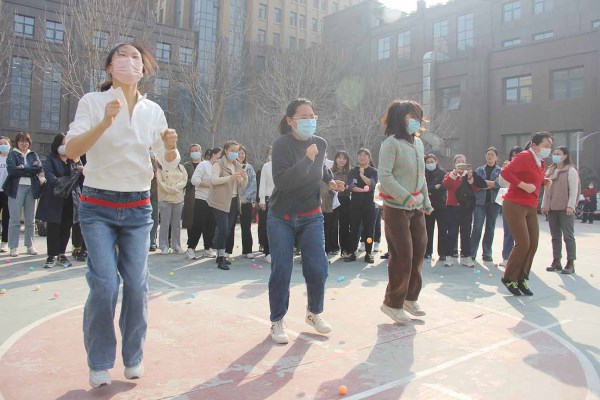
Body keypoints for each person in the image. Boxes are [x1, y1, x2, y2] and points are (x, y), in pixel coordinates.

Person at [65, 43, 181, 387]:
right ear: (109, 67)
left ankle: (133, 356)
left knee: (136, 284)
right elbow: (72, 150)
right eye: (122, 56)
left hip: (137, 207)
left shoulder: (152, 110)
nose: (129, 62)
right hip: (97, 205)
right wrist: (105, 122)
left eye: (136, 58)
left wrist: (171, 147)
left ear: (143, 68)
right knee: (104, 284)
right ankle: (100, 362)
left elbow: (167, 160)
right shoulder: (93, 101)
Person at [268, 98, 339, 344]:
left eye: (313, 117)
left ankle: (314, 312)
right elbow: (283, 182)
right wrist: (307, 159)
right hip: (281, 216)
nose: (310, 121)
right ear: (290, 121)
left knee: (318, 266)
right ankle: (278, 319)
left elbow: (321, 168)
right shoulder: (281, 144)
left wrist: (330, 180)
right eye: (304, 117)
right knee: (282, 269)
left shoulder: (320, 143)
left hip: (311, 215)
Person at [378, 100, 433, 323]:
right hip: (396, 208)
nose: (416, 121)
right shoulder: (391, 144)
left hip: (416, 206)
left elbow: (421, 176)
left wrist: (426, 201)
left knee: (419, 252)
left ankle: (410, 298)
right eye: (411, 116)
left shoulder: (418, 143)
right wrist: (406, 197)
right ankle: (392, 303)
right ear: (399, 119)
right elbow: (385, 176)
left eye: (418, 116)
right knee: (403, 255)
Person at [499, 132, 553, 296]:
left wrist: (543, 181)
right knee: (523, 243)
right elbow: (505, 173)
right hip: (514, 203)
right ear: (534, 145)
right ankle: (509, 278)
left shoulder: (541, 162)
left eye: (550, 147)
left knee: (533, 243)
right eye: (545, 146)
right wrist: (523, 185)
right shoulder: (524, 156)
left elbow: (533, 177)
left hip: (531, 205)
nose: (548, 149)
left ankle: (522, 278)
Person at [36, 133, 82, 268]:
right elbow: (50, 176)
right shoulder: (51, 158)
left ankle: (61, 254)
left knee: (66, 227)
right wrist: (63, 182)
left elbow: (78, 176)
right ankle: (51, 255)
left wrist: (78, 168)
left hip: (70, 197)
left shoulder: (74, 158)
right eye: (62, 144)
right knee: (53, 227)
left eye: (67, 144)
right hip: (55, 197)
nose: (65, 147)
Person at [207, 141, 248, 270]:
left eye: (236, 151)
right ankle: (221, 258)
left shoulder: (237, 165)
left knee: (227, 230)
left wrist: (244, 178)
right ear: (225, 151)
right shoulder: (218, 163)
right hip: (220, 201)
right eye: (232, 150)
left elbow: (241, 185)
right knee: (223, 229)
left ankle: (221, 255)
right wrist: (231, 177)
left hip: (233, 200)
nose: (235, 153)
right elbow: (214, 181)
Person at [542, 147, 580, 274]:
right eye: (554, 154)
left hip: (565, 208)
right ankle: (556, 261)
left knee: (568, 236)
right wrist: (544, 205)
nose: (555, 156)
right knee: (555, 236)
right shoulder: (550, 170)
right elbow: (546, 190)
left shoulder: (570, 170)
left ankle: (570, 263)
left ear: (565, 156)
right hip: (552, 208)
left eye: (558, 154)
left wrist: (571, 206)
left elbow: (574, 190)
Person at [3, 132, 42, 257]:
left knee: (30, 220)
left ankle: (30, 245)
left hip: (32, 188)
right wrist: (29, 168)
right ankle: (13, 246)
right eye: (21, 141)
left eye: (26, 141)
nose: (24, 144)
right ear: (17, 143)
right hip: (16, 188)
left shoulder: (33, 154)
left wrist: (23, 167)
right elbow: (12, 170)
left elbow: (38, 168)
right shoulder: (12, 154)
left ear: (29, 143)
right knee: (15, 219)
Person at [442, 154, 478, 267]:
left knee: (466, 233)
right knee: (452, 232)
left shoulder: (468, 176)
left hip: (466, 208)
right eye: (458, 162)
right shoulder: (450, 175)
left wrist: (470, 177)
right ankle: (449, 256)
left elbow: (475, 188)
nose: (461, 164)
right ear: (454, 164)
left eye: (463, 162)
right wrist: (454, 173)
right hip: (452, 207)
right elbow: (446, 184)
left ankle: (466, 256)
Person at [186, 148, 220, 260]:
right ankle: (191, 248)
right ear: (213, 155)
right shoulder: (203, 164)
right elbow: (194, 180)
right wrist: (209, 185)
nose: (220, 158)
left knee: (211, 225)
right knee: (198, 224)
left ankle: (208, 248)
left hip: (214, 200)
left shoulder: (219, 167)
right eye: (219, 155)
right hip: (202, 199)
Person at [226, 145, 259, 258]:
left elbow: (253, 184)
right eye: (239, 153)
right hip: (233, 200)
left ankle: (248, 250)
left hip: (246, 202)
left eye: (242, 153)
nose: (241, 155)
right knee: (230, 226)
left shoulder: (249, 168)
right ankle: (227, 250)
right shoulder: (231, 167)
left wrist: (245, 197)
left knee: (246, 226)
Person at [346, 149, 378, 264]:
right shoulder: (352, 170)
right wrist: (363, 190)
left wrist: (362, 175)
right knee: (354, 228)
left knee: (369, 229)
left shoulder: (373, 171)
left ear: (369, 158)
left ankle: (368, 253)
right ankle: (352, 252)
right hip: (355, 203)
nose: (362, 157)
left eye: (365, 155)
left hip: (369, 204)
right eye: (360, 155)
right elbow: (351, 186)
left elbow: (372, 184)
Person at [470, 147, 502, 262]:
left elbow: (500, 184)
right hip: (479, 203)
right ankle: (472, 253)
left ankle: (487, 253)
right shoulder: (479, 170)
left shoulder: (500, 171)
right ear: (485, 156)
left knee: (490, 227)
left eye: (492, 155)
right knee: (477, 227)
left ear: (496, 157)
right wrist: (491, 184)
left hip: (494, 203)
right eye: (488, 154)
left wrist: (484, 184)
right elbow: (476, 184)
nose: (490, 156)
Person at [498, 146, 523, 266]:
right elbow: (502, 184)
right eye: (513, 155)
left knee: (521, 232)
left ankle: (520, 258)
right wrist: (505, 170)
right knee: (508, 231)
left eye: (517, 155)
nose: (515, 158)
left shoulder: (526, 169)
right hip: (508, 202)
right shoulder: (508, 168)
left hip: (522, 204)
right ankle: (506, 257)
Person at [156, 161, 187, 254]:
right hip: (165, 198)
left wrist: (175, 187)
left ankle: (176, 245)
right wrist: (171, 189)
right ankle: (163, 246)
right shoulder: (161, 168)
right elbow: (160, 182)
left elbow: (184, 180)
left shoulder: (181, 167)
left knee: (176, 224)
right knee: (165, 223)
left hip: (178, 198)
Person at [424, 154, 449, 263]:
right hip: (428, 205)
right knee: (428, 229)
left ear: (436, 161)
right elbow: (423, 188)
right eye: (427, 162)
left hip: (441, 205)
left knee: (442, 229)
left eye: (432, 162)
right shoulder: (423, 173)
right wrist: (434, 187)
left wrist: (431, 190)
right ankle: (427, 251)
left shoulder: (442, 173)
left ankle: (442, 253)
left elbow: (443, 188)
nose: (430, 164)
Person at [330, 151, 351, 257]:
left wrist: (345, 187)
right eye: (339, 158)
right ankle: (333, 247)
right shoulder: (330, 172)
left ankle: (345, 248)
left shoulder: (350, 172)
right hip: (333, 199)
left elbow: (352, 186)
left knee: (344, 224)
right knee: (333, 224)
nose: (342, 160)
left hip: (345, 199)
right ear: (335, 159)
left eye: (344, 158)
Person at [258, 146, 273, 263]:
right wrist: (262, 200)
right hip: (269, 197)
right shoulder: (266, 166)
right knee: (268, 226)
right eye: (271, 153)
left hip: (281, 199)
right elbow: (262, 183)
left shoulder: (285, 165)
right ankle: (268, 252)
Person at [182, 144, 202, 232]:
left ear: (200, 151)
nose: (194, 153)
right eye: (192, 151)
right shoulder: (186, 166)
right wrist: (194, 181)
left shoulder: (205, 164)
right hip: (190, 195)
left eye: (196, 150)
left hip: (204, 195)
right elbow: (183, 180)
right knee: (190, 220)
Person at [0, 136, 12, 252]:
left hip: (8, 192)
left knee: (6, 218)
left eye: (5, 143)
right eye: (1, 144)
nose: (3, 145)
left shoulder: (12, 158)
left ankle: (4, 242)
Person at [149, 151, 159, 251]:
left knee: (154, 218)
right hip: (142, 193)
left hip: (155, 193)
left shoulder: (158, 163)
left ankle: (152, 241)